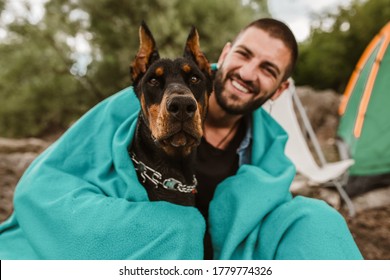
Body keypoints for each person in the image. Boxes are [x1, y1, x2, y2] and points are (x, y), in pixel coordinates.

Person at [0, 18, 363, 260]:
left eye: (268, 69)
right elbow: (45, 184)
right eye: (244, 55)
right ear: (221, 56)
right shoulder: (127, 109)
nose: (248, 73)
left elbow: (268, 223)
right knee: (179, 225)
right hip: (139, 254)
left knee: (318, 217)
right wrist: (172, 229)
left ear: (281, 89)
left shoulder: (270, 157)